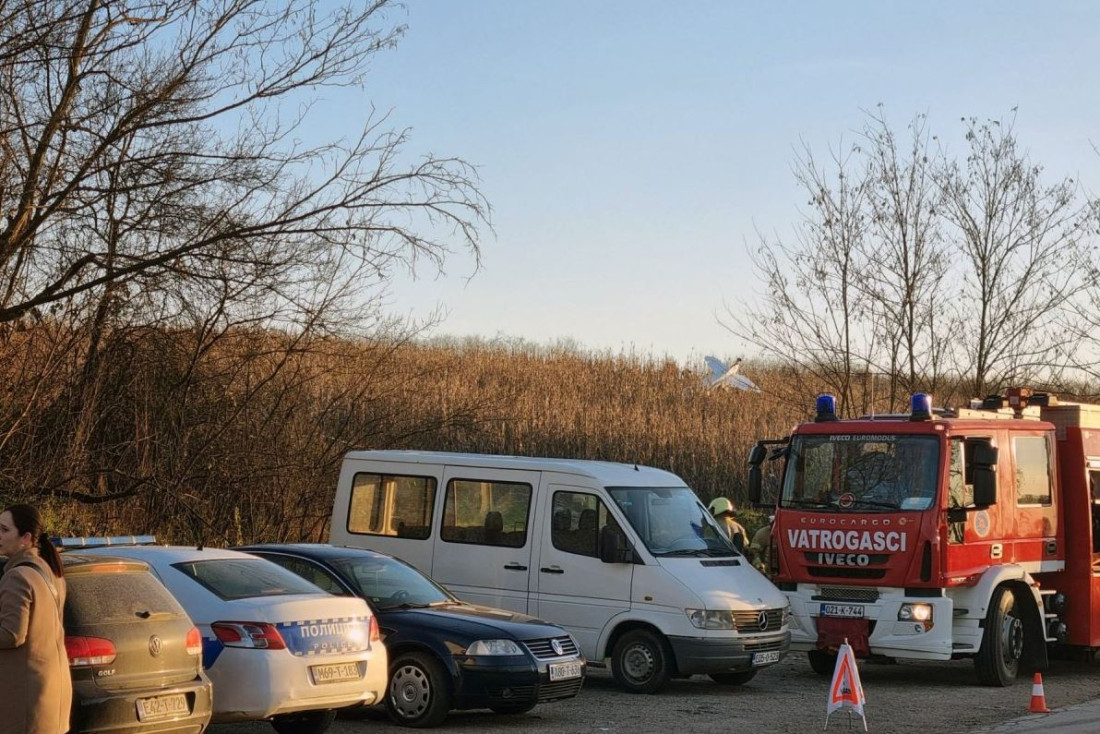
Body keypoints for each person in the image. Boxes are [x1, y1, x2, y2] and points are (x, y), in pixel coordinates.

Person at [0, 503, 72, 734]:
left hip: (25, 704)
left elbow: (12, 635)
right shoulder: (52, 574)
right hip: (53, 697)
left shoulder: (17, 577)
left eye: (4, 530)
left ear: (26, 538)